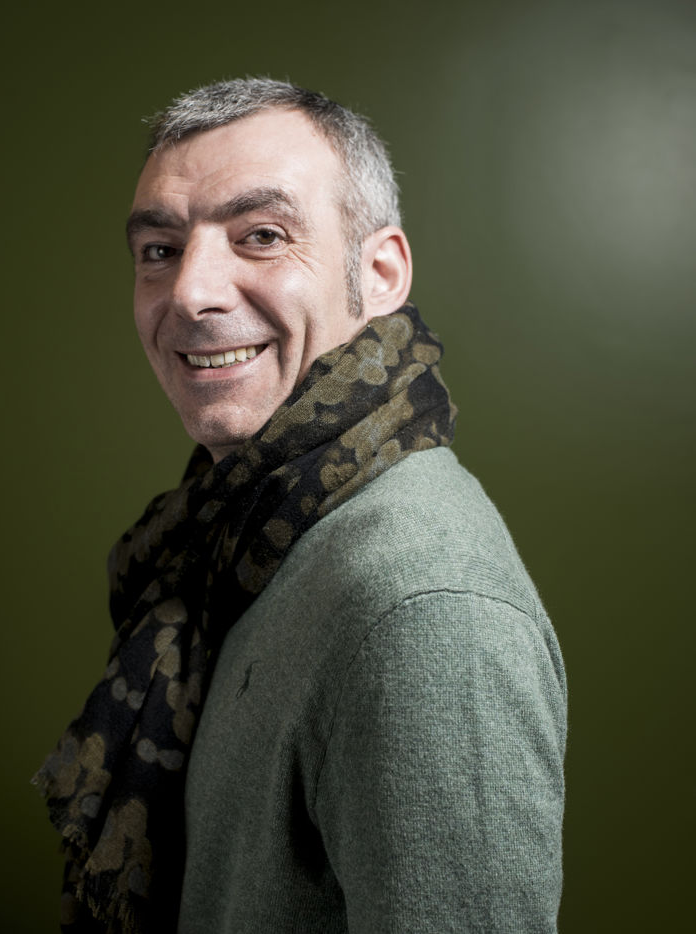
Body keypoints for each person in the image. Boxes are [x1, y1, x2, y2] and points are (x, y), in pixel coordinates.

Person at [35, 78, 566, 934]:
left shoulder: (421, 607)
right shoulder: (234, 536)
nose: (190, 293)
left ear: (379, 273)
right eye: (160, 250)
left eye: (262, 236)